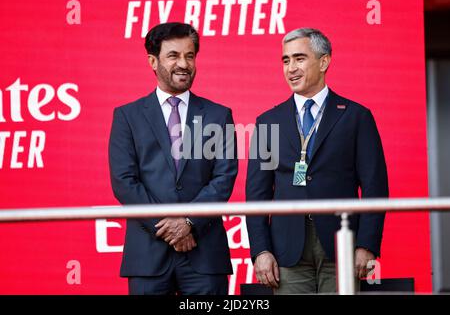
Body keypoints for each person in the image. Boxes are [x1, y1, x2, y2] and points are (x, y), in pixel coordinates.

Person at [246, 28, 388, 294]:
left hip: (342, 247)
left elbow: (375, 187)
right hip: (287, 250)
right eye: (286, 60)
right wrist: (261, 250)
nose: (291, 68)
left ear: (324, 62)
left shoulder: (356, 116)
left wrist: (366, 245)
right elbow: (257, 195)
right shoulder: (268, 121)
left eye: (299, 58)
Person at [108, 22, 238, 295]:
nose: (184, 64)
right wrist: (169, 227)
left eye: (190, 56)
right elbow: (123, 181)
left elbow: (224, 177)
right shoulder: (127, 117)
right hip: (148, 255)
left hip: (205, 253)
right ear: (153, 61)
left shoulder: (218, 115)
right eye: (174, 55)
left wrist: (189, 222)